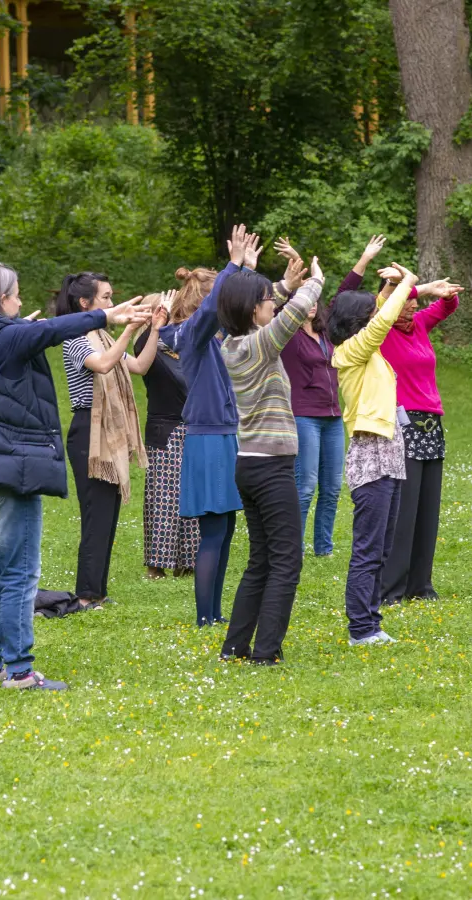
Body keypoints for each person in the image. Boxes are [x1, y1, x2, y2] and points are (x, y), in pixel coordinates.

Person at [0, 263, 151, 691]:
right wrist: (105, 317)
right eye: (15, 294)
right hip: (7, 471)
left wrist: (17, 330)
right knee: (20, 574)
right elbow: (53, 331)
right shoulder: (7, 338)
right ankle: (20, 672)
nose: (21, 302)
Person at [216, 251, 325, 664]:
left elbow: (273, 306)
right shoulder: (259, 345)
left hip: (251, 463)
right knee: (286, 560)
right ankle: (266, 652)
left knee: (261, 559)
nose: (272, 305)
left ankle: (235, 647)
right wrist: (315, 280)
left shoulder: (233, 343)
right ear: (251, 309)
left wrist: (283, 285)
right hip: (270, 467)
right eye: (266, 301)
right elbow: (292, 315)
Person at [165, 226, 260, 628]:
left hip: (224, 437)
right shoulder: (193, 334)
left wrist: (246, 275)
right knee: (214, 533)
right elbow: (209, 312)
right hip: (208, 441)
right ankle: (206, 617)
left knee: (226, 529)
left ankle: (215, 614)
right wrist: (233, 265)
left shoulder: (217, 336)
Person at [55, 272, 161, 609]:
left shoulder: (102, 336)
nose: (112, 304)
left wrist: (154, 328)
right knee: (95, 514)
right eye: (106, 298)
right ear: (85, 303)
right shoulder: (75, 338)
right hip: (89, 430)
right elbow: (102, 365)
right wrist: (128, 330)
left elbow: (141, 366)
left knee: (108, 513)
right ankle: (86, 595)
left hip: (108, 430)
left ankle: (97, 592)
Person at [329, 263, 421, 646]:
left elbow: (378, 313)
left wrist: (388, 285)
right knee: (368, 548)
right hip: (370, 453)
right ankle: (359, 628)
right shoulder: (351, 351)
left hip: (388, 450)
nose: (377, 315)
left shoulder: (365, 350)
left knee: (382, 547)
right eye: (369, 313)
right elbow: (381, 321)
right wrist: (410, 283)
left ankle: (372, 622)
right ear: (358, 322)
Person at [281, 237, 376, 557]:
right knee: (305, 486)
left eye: (313, 296)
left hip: (333, 417)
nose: (308, 302)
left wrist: (363, 259)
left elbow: (345, 295)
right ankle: (292, 548)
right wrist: (295, 262)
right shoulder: (288, 334)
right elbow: (279, 301)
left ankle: (324, 548)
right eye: (301, 296)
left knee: (333, 488)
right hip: (305, 415)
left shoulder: (327, 331)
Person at [377, 271, 461, 605]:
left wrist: (445, 292)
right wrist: (415, 287)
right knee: (405, 509)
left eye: (414, 301)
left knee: (428, 508)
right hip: (403, 424)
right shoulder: (380, 330)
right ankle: (392, 587)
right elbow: (380, 303)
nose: (412, 306)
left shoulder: (420, 326)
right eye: (407, 301)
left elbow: (447, 307)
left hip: (431, 424)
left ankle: (420, 585)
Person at [137, 269, 208, 579]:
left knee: (192, 495)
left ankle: (187, 560)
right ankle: (156, 563)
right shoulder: (148, 346)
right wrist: (156, 326)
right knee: (163, 498)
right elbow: (181, 384)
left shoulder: (180, 348)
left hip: (190, 428)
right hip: (165, 430)